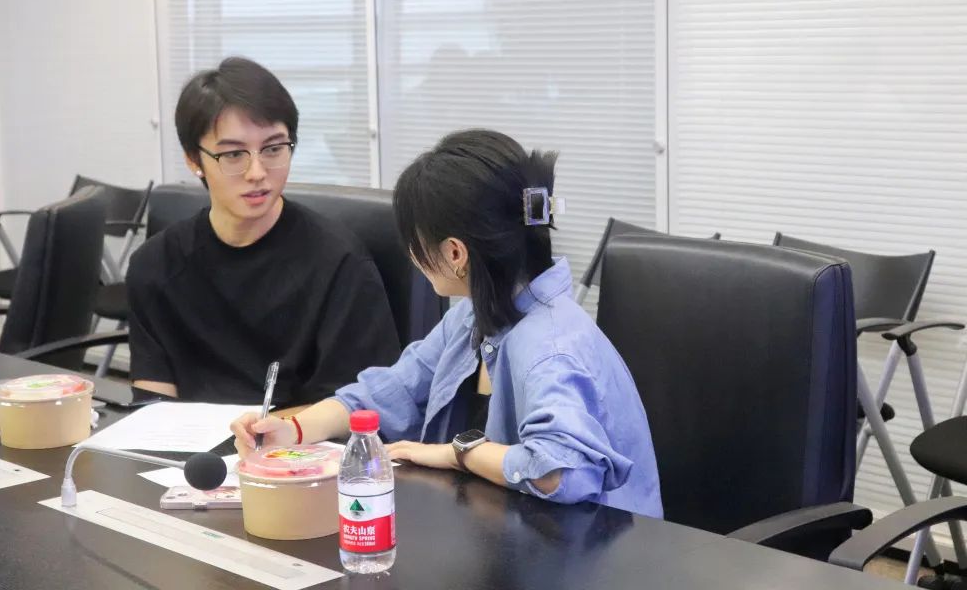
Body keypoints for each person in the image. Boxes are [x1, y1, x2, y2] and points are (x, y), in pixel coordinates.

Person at [231, 129, 662, 515]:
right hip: (506, 535)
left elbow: (560, 471)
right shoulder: (477, 314)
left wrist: (459, 453)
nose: (412, 256)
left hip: (590, 557)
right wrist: (293, 431)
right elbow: (393, 389)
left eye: (415, 242)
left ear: (455, 254)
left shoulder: (548, 346)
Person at [127, 57, 401, 406]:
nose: (257, 172)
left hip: (302, 438)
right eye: (233, 155)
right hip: (190, 442)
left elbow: (356, 406)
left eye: (273, 149)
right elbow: (153, 405)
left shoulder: (339, 262)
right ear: (194, 160)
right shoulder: (156, 265)